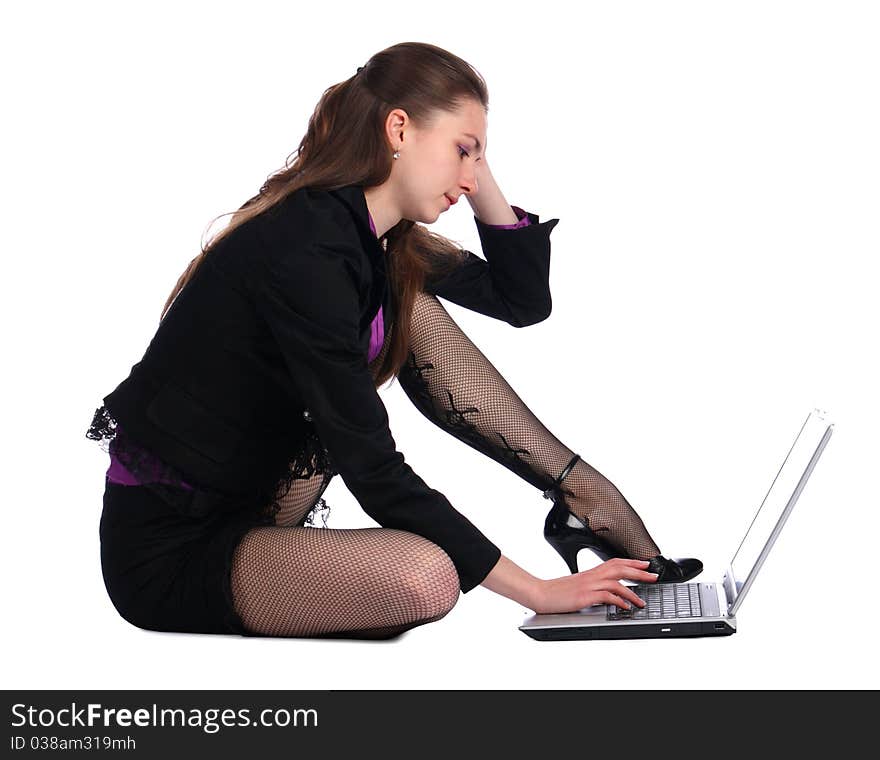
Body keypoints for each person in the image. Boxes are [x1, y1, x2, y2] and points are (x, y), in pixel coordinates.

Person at [85, 41, 702, 640]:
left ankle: (584, 497)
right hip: (175, 548)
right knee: (427, 578)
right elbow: (372, 468)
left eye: (479, 160)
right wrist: (539, 591)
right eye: (462, 153)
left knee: (410, 300)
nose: (471, 178)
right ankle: (584, 504)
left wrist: (476, 159)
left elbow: (523, 302)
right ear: (399, 130)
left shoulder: (382, 240)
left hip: (259, 502)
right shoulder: (307, 248)